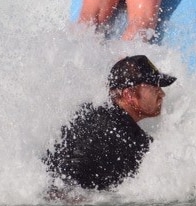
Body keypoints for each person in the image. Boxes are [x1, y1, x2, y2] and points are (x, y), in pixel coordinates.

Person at [43, 55, 176, 193]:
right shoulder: (122, 136)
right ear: (129, 94)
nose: (162, 93)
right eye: (155, 87)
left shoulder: (90, 111)